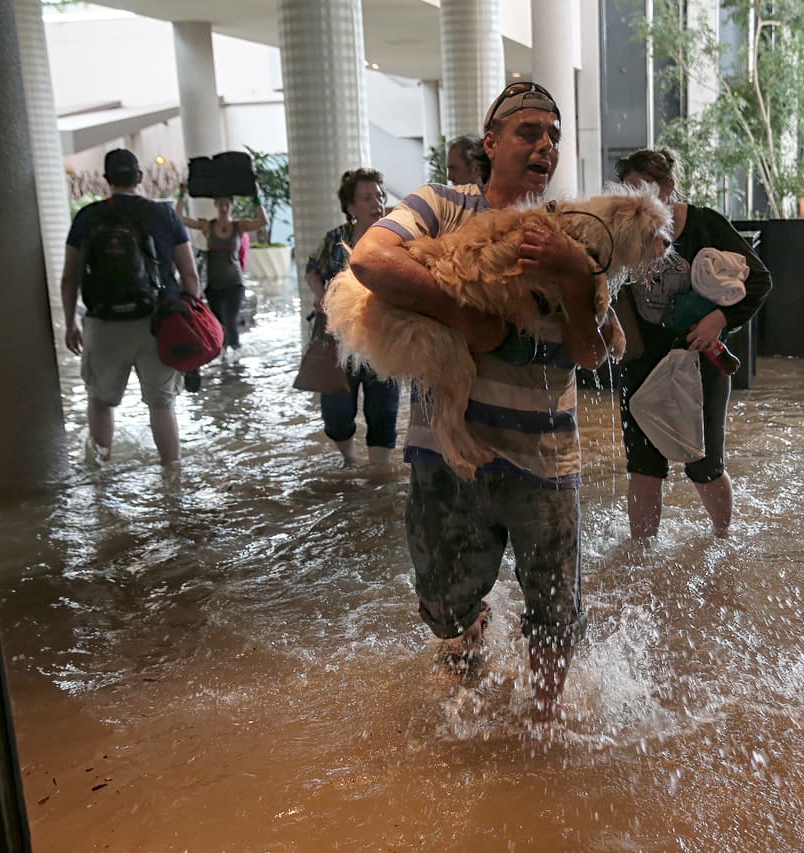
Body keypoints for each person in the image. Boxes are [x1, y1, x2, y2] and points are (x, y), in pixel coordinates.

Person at [350, 81, 611, 722]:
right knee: (443, 604)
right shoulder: (440, 206)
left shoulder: (573, 232)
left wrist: (577, 276)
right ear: (490, 143)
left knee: (555, 608)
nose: (544, 146)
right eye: (528, 132)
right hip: (447, 453)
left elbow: (596, 352)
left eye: (553, 136)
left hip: (545, 457)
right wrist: (466, 317)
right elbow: (369, 258)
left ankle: (543, 728)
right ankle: (469, 698)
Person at [614, 147, 772, 540]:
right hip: (642, 366)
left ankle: (723, 541)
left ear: (669, 187)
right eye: (630, 192)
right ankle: (640, 557)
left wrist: (719, 320)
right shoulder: (622, 232)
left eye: (646, 192)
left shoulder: (706, 225)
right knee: (643, 465)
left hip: (702, 364)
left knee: (705, 464)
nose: (637, 203)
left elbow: (760, 280)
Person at [60, 148, 202, 466]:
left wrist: (71, 323)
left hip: (103, 324)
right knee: (161, 404)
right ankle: (172, 479)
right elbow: (190, 275)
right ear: (139, 177)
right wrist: (191, 320)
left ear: (106, 179)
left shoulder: (87, 217)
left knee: (101, 401)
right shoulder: (164, 214)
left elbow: (69, 278)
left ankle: (100, 478)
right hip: (159, 324)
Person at [305, 168, 400, 469]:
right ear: (350, 207)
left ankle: (379, 477)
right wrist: (321, 293)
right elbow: (311, 269)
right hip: (337, 338)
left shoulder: (395, 239)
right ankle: (348, 460)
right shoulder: (335, 238)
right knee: (335, 413)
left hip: (382, 337)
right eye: (367, 197)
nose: (377, 202)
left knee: (383, 410)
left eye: (380, 195)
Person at [175, 188, 266, 358]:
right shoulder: (208, 226)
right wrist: (181, 195)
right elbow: (179, 219)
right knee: (218, 323)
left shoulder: (238, 226)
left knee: (230, 321)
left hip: (234, 283)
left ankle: (235, 361)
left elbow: (262, 221)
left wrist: (255, 199)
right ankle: (223, 360)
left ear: (232, 206)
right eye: (221, 204)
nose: (224, 207)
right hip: (214, 285)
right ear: (216, 205)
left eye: (227, 204)